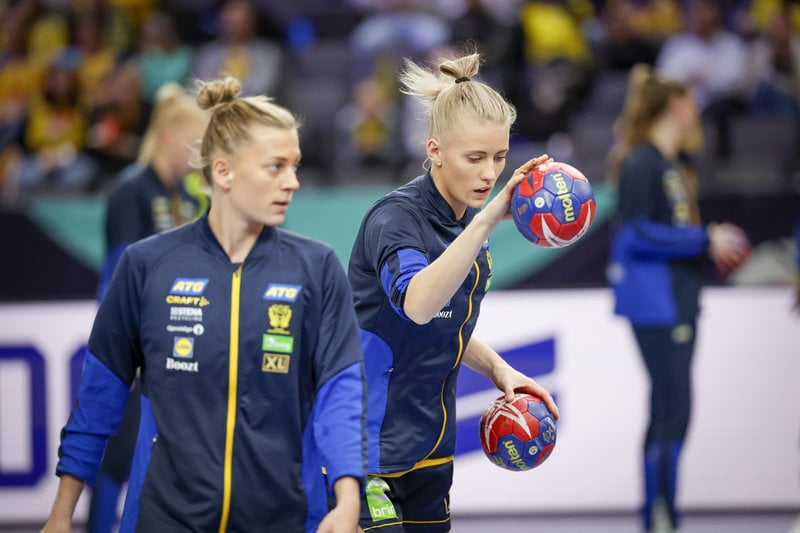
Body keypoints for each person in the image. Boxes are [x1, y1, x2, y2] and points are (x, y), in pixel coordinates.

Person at [42, 76, 366, 533]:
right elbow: (98, 399)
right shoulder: (146, 265)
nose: (292, 182)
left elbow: (341, 393)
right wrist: (60, 515)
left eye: (294, 166)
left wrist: (348, 497)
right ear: (223, 171)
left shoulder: (316, 267)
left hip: (286, 520)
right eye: (275, 167)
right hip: (164, 521)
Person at [347, 51, 560, 532]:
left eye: (500, 157)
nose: (490, 173)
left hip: (428, 449)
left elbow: (446, 325)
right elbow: (420, 306)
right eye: (475, 158)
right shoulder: (396, 219)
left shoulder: (467, 223)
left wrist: (501, 371)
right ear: (435, 150)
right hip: (361, 449)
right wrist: (487, 221)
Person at [606, 64, 750, 532]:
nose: (697, 112)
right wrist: (702, 239)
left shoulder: (675, 164)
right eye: (692, 102)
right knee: (673, 408)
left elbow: (670, 230)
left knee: (671, 408)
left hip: (678, 297)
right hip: (657, 300)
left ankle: (661, 513)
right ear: (674, 105)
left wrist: (706, 247)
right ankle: (660, 516)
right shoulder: (642, 162)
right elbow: (636, 231)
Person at [86, 81, 209, 533]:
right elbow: (116, 276)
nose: (198, 156)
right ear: (170, 137)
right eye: (194, 144)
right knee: (118, 454)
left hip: (173, 346)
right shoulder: (131, 189)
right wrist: (128, 348)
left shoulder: (186, 195)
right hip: (136, 347)